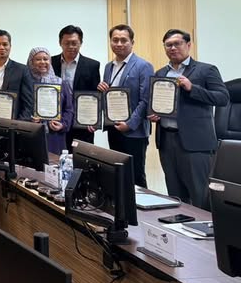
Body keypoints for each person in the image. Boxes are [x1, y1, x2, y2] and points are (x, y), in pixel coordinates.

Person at [149, 29, 229, 209]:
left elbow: (223, 98)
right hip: (167, 140)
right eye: (168, 45)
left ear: (188, 45)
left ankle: (206, 227)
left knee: (200, 195)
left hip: (195, 143)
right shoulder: (160, 73)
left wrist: (192, 88)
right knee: (175, 195)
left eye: (177, 44)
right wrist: (154, 115)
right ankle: (180, 225)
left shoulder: (206, 70)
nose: (172, 48)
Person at [97, 24, 154, 187]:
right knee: (118, 173)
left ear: (132, 42)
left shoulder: (143, 66)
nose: (119, 44)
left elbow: (145, 100)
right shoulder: (108, 67)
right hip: (114, 127)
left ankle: (141, 204)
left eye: (124, 40)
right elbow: (110, 97)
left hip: (134, 131)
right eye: (115, 40)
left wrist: (129, 124)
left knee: (136, 176)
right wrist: (102, 90)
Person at [51, 25, 100, 150]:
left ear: (81, 43)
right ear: (60, 43)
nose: (71, 46)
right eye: (67, 43)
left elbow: (95, 96)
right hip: (57, 122)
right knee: (56, 157)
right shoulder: (50, 63)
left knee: (81, 158)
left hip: (82, 124)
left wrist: (95, 121)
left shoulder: (92, 65)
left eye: (74, 43)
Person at [21, 47, 74, 155]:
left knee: (54, 164)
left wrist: (62, 124)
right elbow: (20, 108)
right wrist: (29, 119)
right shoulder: (24, 83)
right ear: (31, 62)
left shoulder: (60, 83)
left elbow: (69, 109)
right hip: (31, 135)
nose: (42, 62)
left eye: (46, 59)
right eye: (38, 59)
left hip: (55, 136)